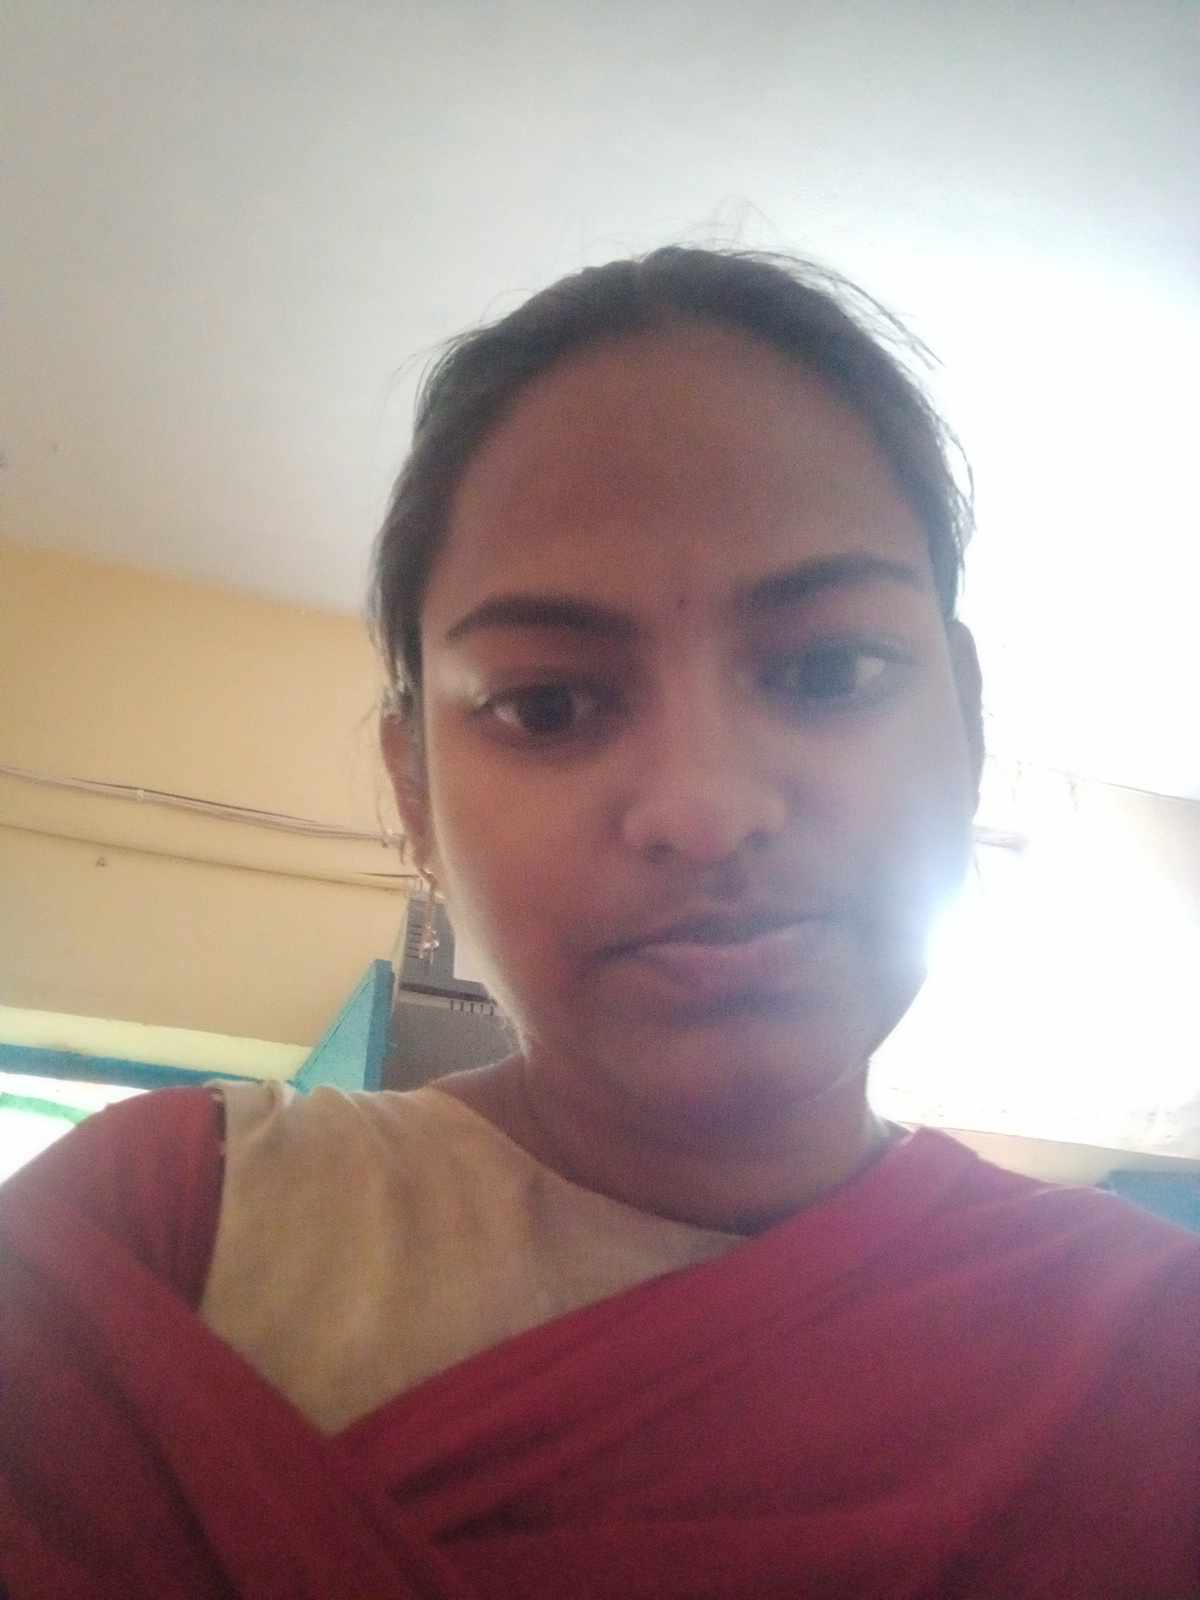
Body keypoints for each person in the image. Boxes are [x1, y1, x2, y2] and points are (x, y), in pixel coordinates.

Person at [1, 247, 1196, 1600]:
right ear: (416, 792)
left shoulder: (1155, 1353)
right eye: (550, 704)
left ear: (966, 726)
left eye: (829, 669)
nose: (704, 809)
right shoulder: (156, 1240)